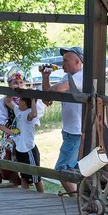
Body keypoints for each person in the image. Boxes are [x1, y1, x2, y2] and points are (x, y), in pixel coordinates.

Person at [41, 46, 85, 194]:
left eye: (66, 60)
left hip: (76, 132)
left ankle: (77, 201)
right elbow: (48, 97)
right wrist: (45, 78)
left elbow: (57, 90)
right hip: (70, 130)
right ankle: (81, 200)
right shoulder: (67, 77)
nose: (62, 63)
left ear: (77, 61)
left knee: (62, 170)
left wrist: (50, 93)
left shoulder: (81, 77)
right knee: (76, 169)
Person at [11, 93, 45, 192]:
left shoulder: (28, 113)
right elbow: (8, 101)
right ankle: (25, 196)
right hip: (19, 148)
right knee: (24, 176)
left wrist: (33, 99)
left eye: (21, 100)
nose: (19, 101)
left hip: (28, 149)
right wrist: (14, 90)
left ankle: (42, 197)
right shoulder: (18, 111)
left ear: (25, 103)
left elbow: (34, 114)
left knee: (36, 178)